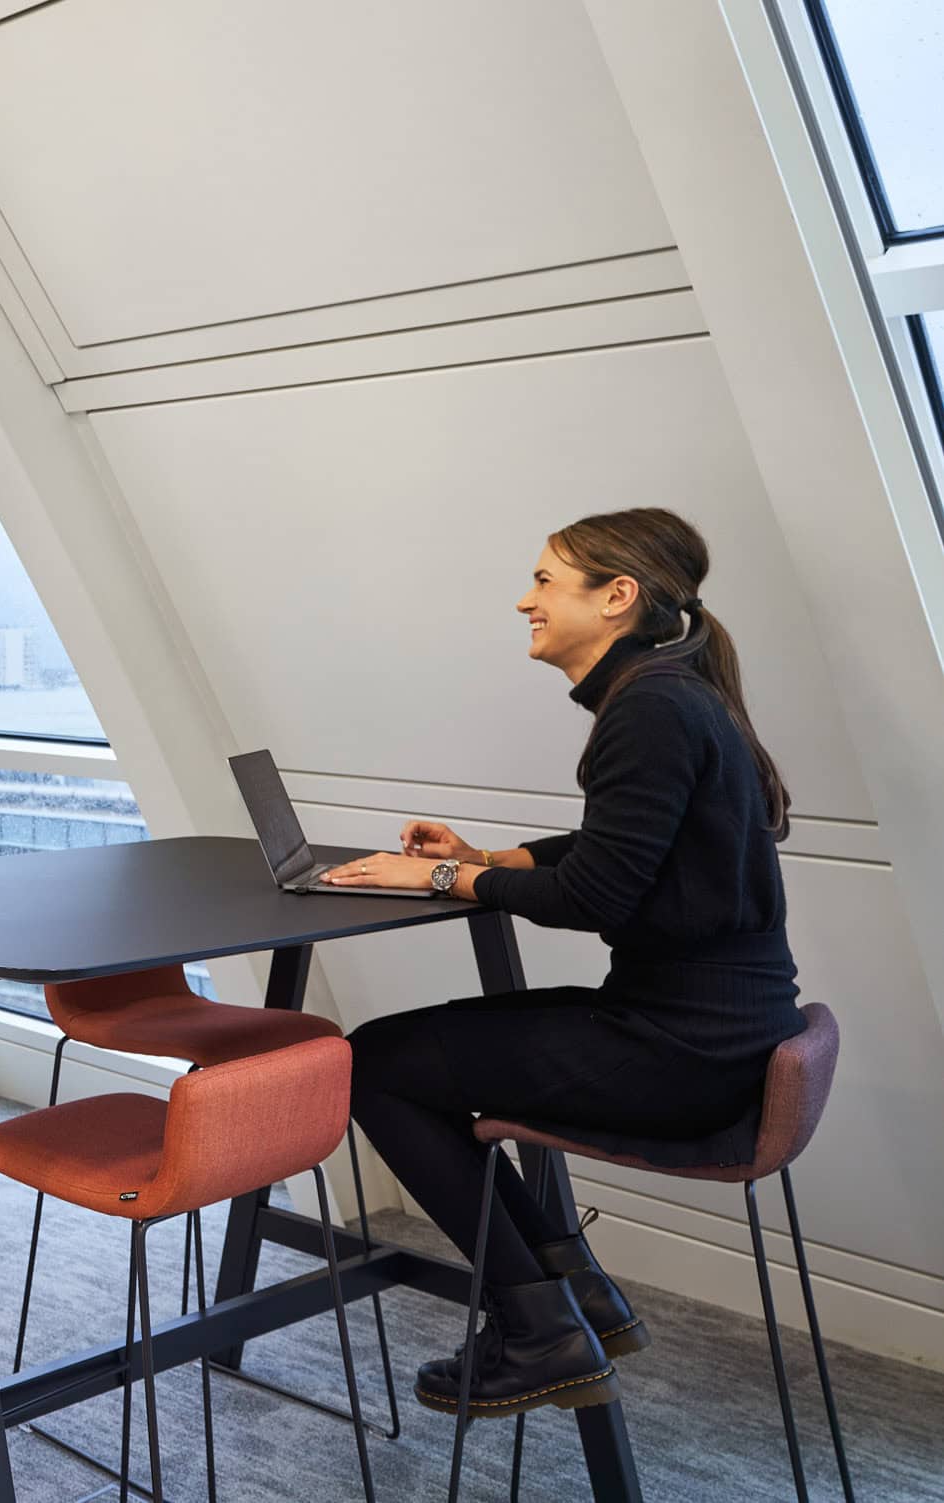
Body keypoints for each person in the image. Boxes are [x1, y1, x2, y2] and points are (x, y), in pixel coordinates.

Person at [328, 507, 803, 1418]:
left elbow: (595, 897)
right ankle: (573, 1291)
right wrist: (490, 860)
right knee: (397, 1051)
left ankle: (540, 1323)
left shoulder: (653, 708)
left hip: (682, 1054)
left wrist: (440, 877)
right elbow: (623, 845)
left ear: (617, 597)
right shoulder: (672, 694)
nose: (524, 600)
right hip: (713, 1033)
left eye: (545, 582)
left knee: (374, 1066)